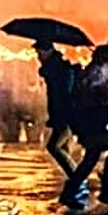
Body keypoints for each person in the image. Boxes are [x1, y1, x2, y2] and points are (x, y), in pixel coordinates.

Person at [59, 33, 108, 208]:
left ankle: (72, 192)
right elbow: (100, 90)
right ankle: (106, 189)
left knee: (93, 156)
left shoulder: (103, 62)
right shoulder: (105, 66)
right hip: (96, 118)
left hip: (95, 118)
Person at [35, 42, 81, 180]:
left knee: (54, 147)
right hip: (62, 114)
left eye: (39, 53)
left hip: (65, 114)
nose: (38, 57)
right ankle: (75, 177)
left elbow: (62, 95)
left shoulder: (57, 70)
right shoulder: (56, 68)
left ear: (47, 52)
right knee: (64, 148)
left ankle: (77, 177)